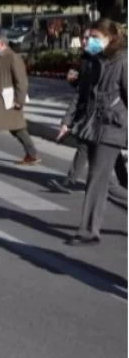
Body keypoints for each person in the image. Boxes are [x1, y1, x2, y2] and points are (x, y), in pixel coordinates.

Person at [58, 19, 127, 246]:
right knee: (106, 183)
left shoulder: (123, 61)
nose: (91, 41)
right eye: (90, 37)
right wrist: (67, 121)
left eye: (97, 37)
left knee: (96, 178)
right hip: (90, 126)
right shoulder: (92, 60)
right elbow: (81, 94)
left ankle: (88, 231)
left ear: (110, 38)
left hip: (111, 127)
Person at [0, 32, 40, 165]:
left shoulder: (13, 57)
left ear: (2, 44)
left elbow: (22, 81)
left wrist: (19, 101)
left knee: (17, 128)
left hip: (8, 101)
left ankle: (32, 154)